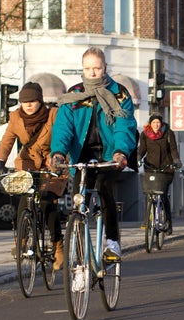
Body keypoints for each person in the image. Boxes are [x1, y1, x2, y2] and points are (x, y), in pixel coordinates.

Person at [50, 47, 137, 260]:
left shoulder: (120, 93)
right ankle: (78, 251)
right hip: (83, 153)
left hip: (110, 154)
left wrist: (120, 152)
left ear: (104, 67)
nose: (92, 72)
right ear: (82, 69)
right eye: (88, 68)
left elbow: (124, 126)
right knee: (80, 198)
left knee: (104, 188)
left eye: (97, 68)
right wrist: (59, 153)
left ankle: (112, 241)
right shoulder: (74, 95)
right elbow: (63, 128)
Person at [0, 82, 64, 270]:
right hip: (28, 161)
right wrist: (0, 162)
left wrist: (58, 159)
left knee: (47, 201)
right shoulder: (16, 117)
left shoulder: (53, 115)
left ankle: (58, 245)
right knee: (25, 199)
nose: (29, 105)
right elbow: (7, 141)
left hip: (54, 161)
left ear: (40, 101)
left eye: (32, 101)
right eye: (25, 101)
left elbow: (62, 137)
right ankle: (22, 239)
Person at [138, 112, 181, 235]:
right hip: (150, 168)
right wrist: (138, 158)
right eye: (153, 123)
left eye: (158, 123)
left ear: (161, 124)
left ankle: (168, 221)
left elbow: (173, 149)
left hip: (166, 169)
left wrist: (176, 161)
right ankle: (147, 220)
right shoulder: (145, 134)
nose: (156, 125)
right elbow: (142, 150)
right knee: (149, 194)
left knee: (163, 195)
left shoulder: (168, 133)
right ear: (150, 124)